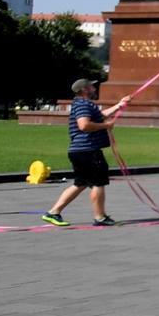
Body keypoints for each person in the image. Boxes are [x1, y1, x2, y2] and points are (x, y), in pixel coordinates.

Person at [42, 77, 129, 226]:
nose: (95, 89)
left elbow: (100, 116)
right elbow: (84, 125)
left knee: (80, 183)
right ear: (84, 90)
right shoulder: (83, 105)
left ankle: (53, 212)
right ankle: (100, 217)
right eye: (92, 87)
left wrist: (119, 105)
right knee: (98, 182)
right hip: (88, 150)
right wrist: (106, 126)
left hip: (80, 150)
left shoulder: (84, 104)